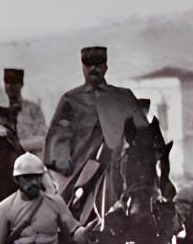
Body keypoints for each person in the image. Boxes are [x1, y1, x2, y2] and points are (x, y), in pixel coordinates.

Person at [43, 46, 147, 223]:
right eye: (88, 65)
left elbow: (143, 131)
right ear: (82, 67)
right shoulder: (70, 99)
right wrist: (64, 163)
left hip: (120, 163)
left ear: (106, 67)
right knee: (65, 212)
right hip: (83, 166)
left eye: (98, 65)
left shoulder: (123, 96)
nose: (93, 69)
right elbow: (57, 135)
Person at [4, 69, 47, 155]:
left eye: (14, 82)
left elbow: (43, 138)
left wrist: (19, 146)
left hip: (29, 161)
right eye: (7, 82)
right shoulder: (1, 111)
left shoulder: (33, 109)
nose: (9, 86)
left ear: (21, 84)